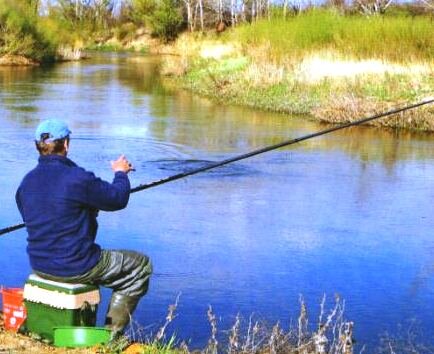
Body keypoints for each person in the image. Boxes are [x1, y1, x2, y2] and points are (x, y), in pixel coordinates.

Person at [15, 119, 152, 338]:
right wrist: (121, 173)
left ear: (37, 146)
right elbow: (117, 199)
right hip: (77, 264)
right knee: (139, 267)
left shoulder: (26, 182)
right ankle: (110, 338)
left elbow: (36, 216)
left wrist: (84, 212)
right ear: (66, 145)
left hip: (39, 264)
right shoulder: (78, 178)